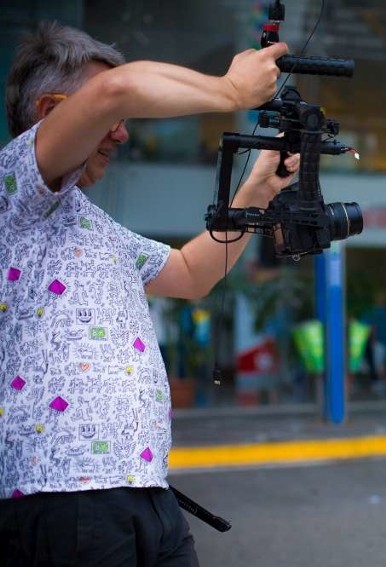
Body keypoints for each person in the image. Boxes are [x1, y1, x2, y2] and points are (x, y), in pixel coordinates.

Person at [0, 21, 298, 565]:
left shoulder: (94, 226)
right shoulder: (14, 190)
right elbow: (121, 87)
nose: (122, 133)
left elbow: (189, 273)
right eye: (110, 120)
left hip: (149, 494)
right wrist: (231, 91)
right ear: (49, 113)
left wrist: (255, 188)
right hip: (65, 494)